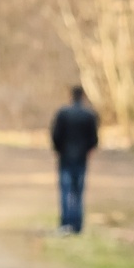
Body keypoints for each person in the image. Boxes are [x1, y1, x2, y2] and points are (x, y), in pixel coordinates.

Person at [49, 85, 98, 234]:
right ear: (83, 96)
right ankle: (77, 225)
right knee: (78, 191)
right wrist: (87, 151)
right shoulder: (89, 115)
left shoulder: (63, 113)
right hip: (81, 159)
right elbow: (94, 139)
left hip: (65, 158)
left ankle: (66, 223)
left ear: (71, 95)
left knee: (66, 191)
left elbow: (55, 135)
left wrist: (58, 150)